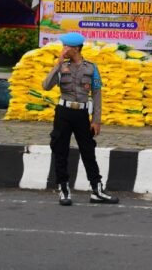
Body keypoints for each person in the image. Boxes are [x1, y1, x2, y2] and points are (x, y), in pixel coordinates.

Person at [42, 32, 119, 206]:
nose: (63, 49)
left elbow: (97, 93)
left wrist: (96, 119)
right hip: (63, 113)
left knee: (88, 151)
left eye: (66, 47)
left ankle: (97, 190)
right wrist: (57, 65)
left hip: (82, 114)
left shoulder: (91, 68)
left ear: (75, 48)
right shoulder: (61, 66)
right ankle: (63, 189)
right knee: (60, 150)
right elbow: (46, 86)